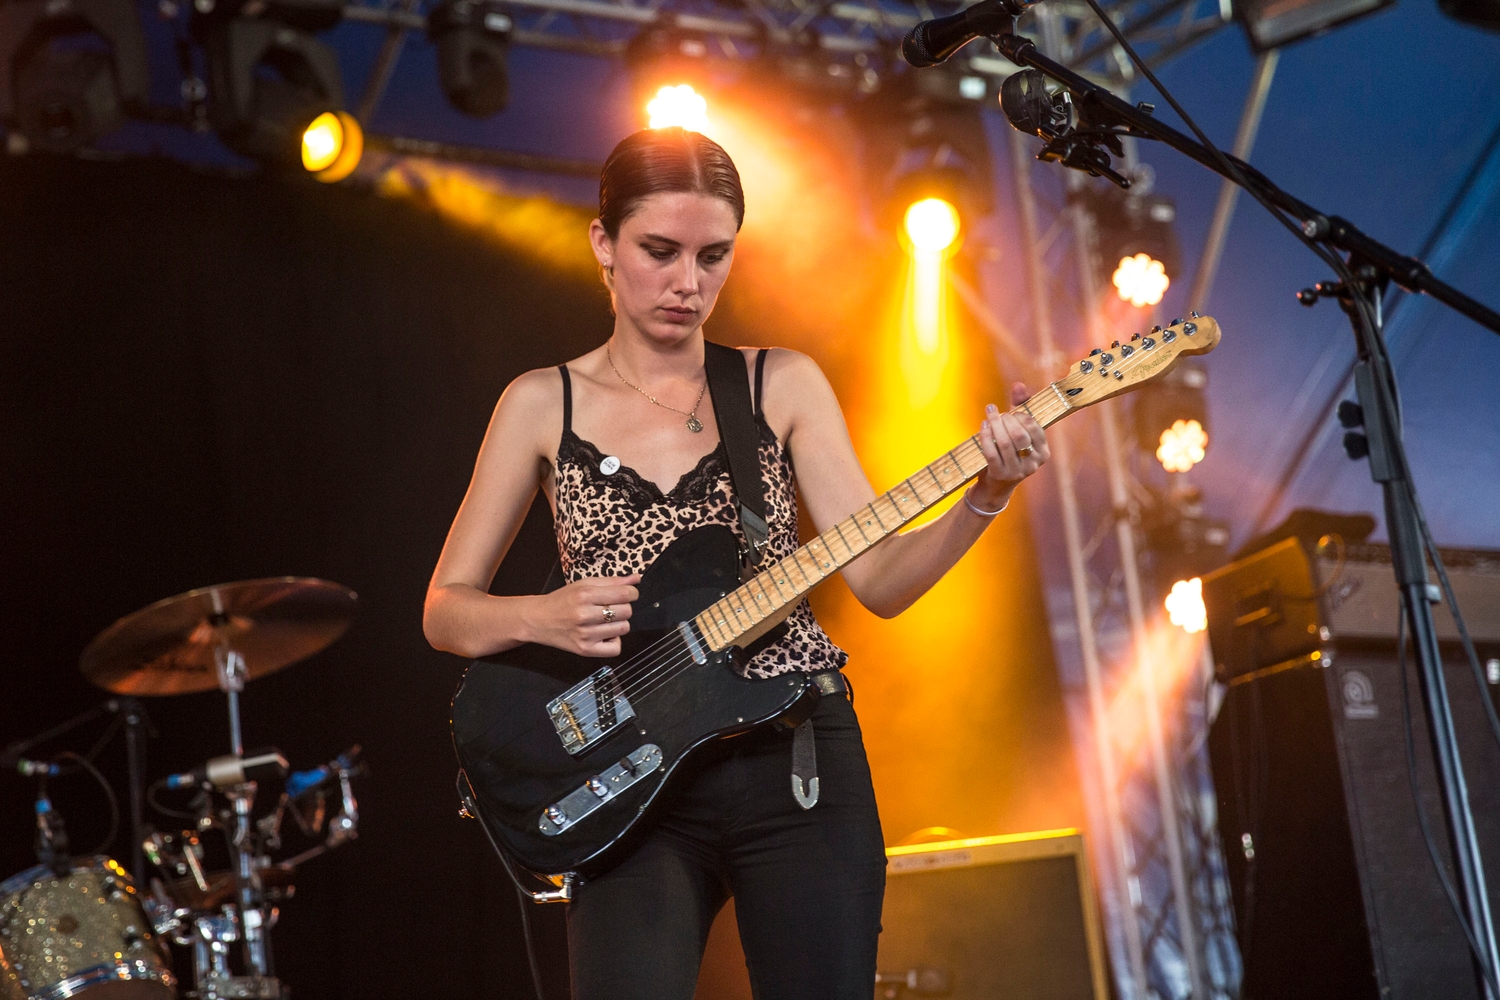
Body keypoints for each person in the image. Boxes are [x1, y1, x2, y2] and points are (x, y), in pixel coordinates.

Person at [422, 126, 1050, 1000]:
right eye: (660, 251)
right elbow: (445, 610)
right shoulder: (540, 403)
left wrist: (985, 495)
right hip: (632, 772)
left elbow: (880, 582)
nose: (689, 283)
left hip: (793, 755)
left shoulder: (778, 384)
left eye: (714, 256)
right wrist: (542, 615)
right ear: (603, 244)